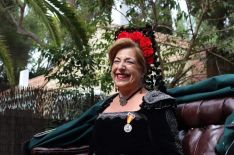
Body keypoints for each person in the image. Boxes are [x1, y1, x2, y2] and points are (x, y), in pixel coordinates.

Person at [88, 26, 184, 155]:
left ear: (142, 70)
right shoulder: (105, 104)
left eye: (129, 62)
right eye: (116, 61)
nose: (120, 67)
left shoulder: (156, 104)